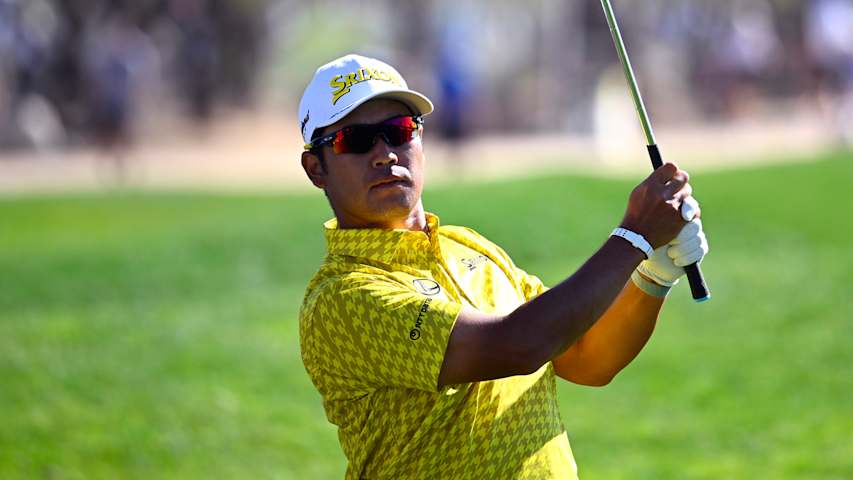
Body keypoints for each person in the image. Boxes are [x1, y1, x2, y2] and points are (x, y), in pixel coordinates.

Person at [297, 53, 709, 479]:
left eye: (398, 132)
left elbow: (586, 360)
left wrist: (652, 276)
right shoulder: (340, 298)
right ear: (316, 169)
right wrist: (634, 238)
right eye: (354, 140)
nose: (384, 154)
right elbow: (518, 345)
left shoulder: (468, 246)